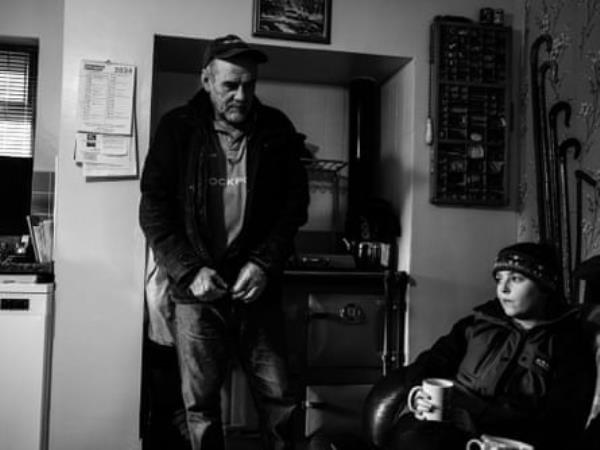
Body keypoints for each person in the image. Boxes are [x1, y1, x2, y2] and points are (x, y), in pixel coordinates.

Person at [139, 34, 309, 450]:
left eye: (249, 85)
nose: (241, 95)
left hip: (258, 291)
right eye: (230, 85)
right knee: (199, 407)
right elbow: (153, 211)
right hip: (197, 294)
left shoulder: (277, 129)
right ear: (206, 79)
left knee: (280, 401)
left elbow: (294, 206)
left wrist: (265, 263)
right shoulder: (176, 128)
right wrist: (189, 270)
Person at [365, 242, 596, 450]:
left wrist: (480, 421)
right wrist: (417, 393)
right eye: (499, 279)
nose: (503, 289)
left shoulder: (569, 344)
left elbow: (562, 421)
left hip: (505, 440)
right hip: (439, 426)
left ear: (545, 287)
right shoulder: (477, 323)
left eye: (516, 279)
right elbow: (430, 362)